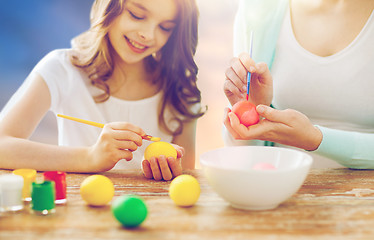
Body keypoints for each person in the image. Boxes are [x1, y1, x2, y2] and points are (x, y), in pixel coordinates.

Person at [0, 0, 205, 181]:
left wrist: (173, 172)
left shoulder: (180, 88)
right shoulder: (62, 69)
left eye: (165, 27)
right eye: (137, 15)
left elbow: (185, 177)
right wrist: (90, 157)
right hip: (80, 213)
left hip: (154, 218)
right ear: (109, 5)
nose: (148, 34)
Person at [223, 0, 374, 168]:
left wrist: (317, 139)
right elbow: (241, 155)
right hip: (280, 188)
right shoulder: (259, 9)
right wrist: (250, 116)